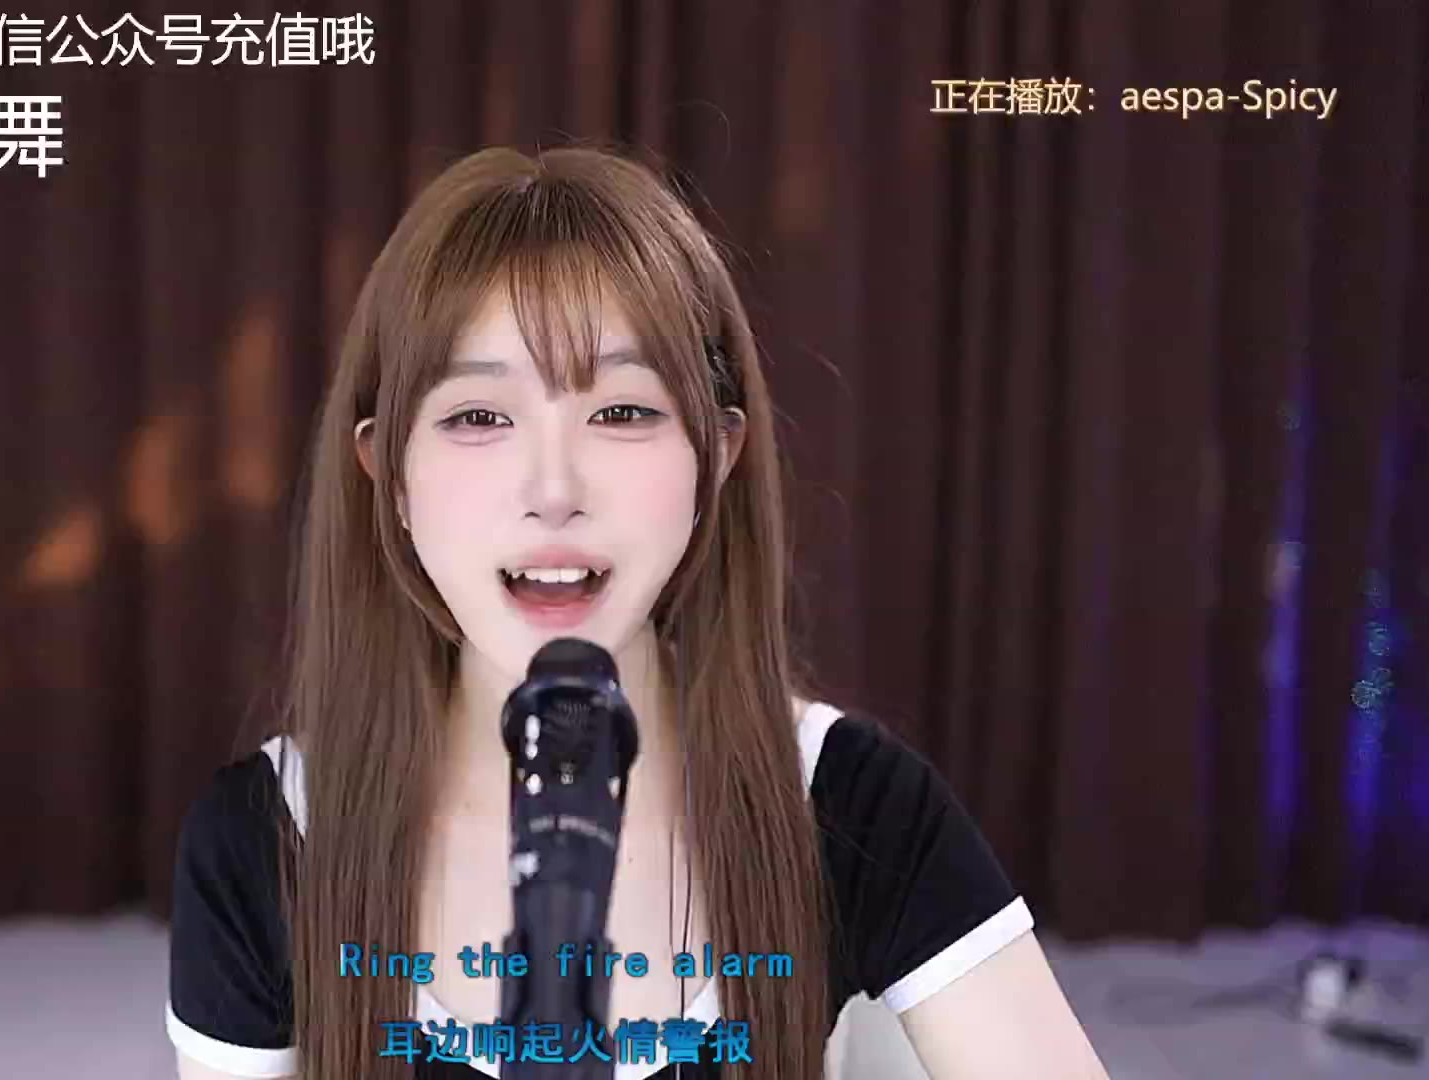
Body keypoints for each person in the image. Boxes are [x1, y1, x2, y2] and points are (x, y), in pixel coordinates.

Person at [165, 144, 1110, 1079]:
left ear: (718, 455)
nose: (553, 491)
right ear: (389, 475)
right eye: (478, 417)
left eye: (621, 412)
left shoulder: (848, 801)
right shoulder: (267, 837)